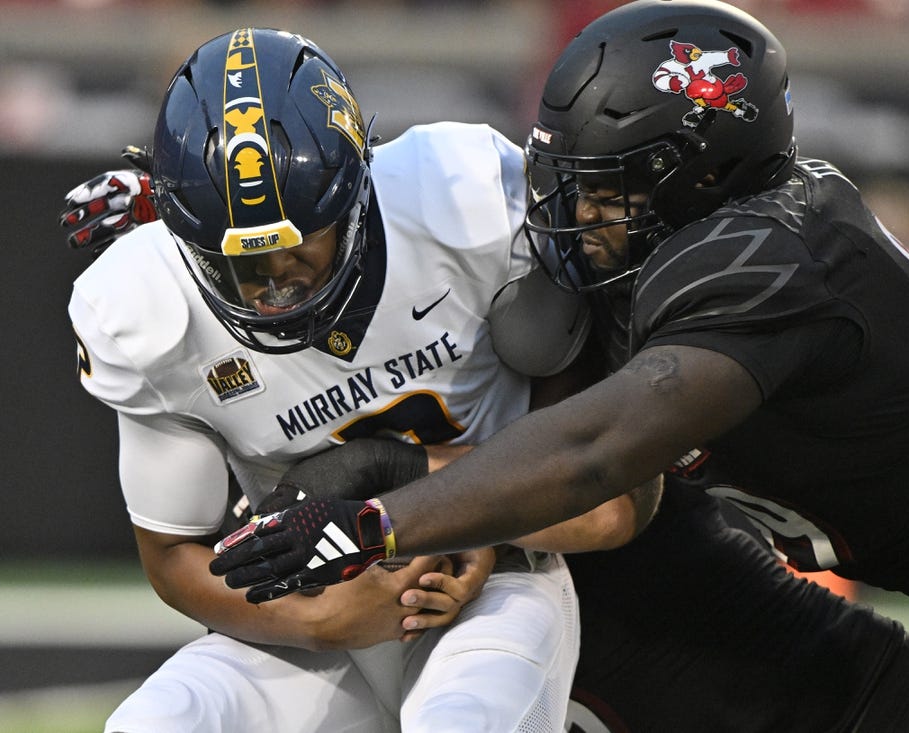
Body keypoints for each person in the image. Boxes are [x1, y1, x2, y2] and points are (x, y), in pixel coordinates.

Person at [210, 1, 909, 728]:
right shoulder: (684, 259)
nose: (576, 215)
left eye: (606, 191)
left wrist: (376, 522)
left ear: (703, 176)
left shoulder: (766, 249)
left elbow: (596, 452)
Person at [62, 27, 653, 732]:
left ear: (356, 194)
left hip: (492, 583)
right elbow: (172, 556)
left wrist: (458, 511)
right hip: (313, 604)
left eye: (297, 243)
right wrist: (319, 618)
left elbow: (609, 503)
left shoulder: (463, 204)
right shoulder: (147, 308)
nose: (274, 283)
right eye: (242, 262)